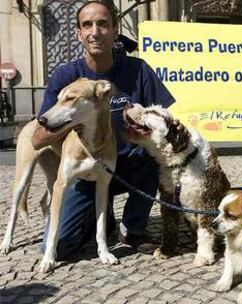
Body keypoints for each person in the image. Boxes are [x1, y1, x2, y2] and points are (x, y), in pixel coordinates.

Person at [32, 0, 175, 259]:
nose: (95, 32)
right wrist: (71, 119)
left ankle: (133, 228)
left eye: (102, 24)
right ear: (79, 33)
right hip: (84, 173)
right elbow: (37, 139)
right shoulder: (66, 76)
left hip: (128, 167)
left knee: (153, 154)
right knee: (60, 248)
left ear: (115, 29)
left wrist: (147, 127)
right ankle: (101, 214)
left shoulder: (138, 70)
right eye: (87, 25)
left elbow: (165, 119)